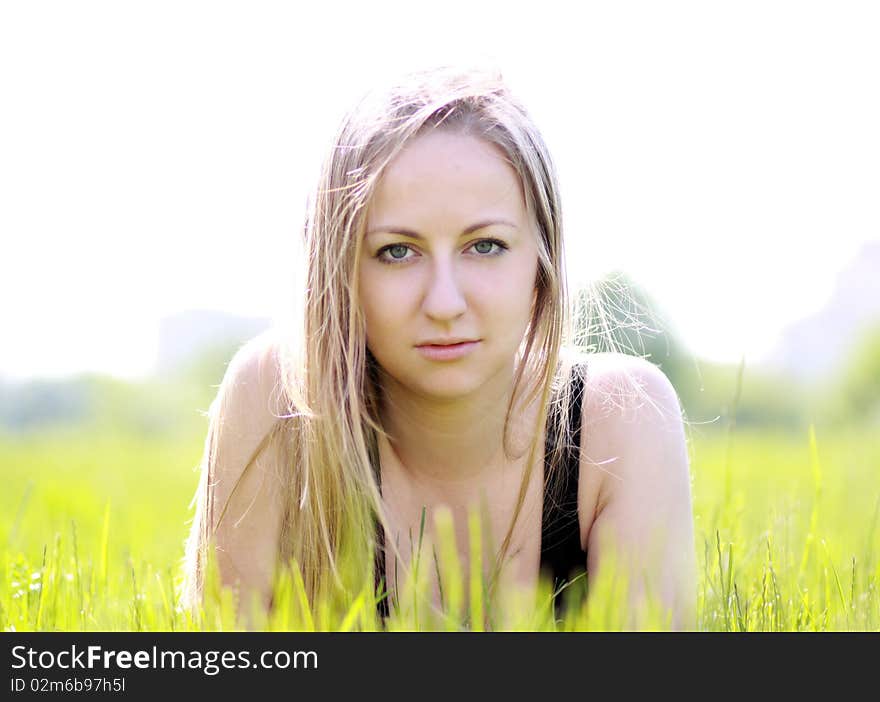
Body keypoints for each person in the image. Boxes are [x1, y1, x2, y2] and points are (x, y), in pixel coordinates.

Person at [180, 66, 696, 631]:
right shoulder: (279, 399)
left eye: (486, 245)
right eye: (398, 251)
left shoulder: (621, 420)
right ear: (340, 269)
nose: (445, 302)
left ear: (540, 264)